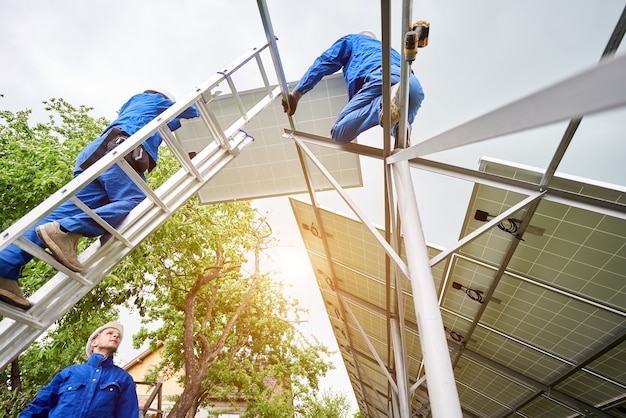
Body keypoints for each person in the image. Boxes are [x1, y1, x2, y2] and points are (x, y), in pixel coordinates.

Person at [0, 90, 200, 310]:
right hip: (122, 152)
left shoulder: (135, 108)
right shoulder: (156, 101)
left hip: (97, 154)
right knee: (138, 205)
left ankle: (4, 267)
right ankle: (66, 231)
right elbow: (190, 109)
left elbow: (169, 125)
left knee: (60, 214)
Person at [282, 30, 424, 144]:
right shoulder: (390, 50)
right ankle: (400, 129)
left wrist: (297, 93)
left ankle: (382, 105)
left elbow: (324, 62)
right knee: (400, 119)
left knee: (338, 132)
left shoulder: (353, 40)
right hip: (411, 83)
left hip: (379, 76)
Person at [20, 322, 139, 417]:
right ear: (94, 342)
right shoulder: (70, 372)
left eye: (118, 336)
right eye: (110, 333)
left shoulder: (124, 378)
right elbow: (40, 404)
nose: (116, 336)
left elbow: (128, 414)